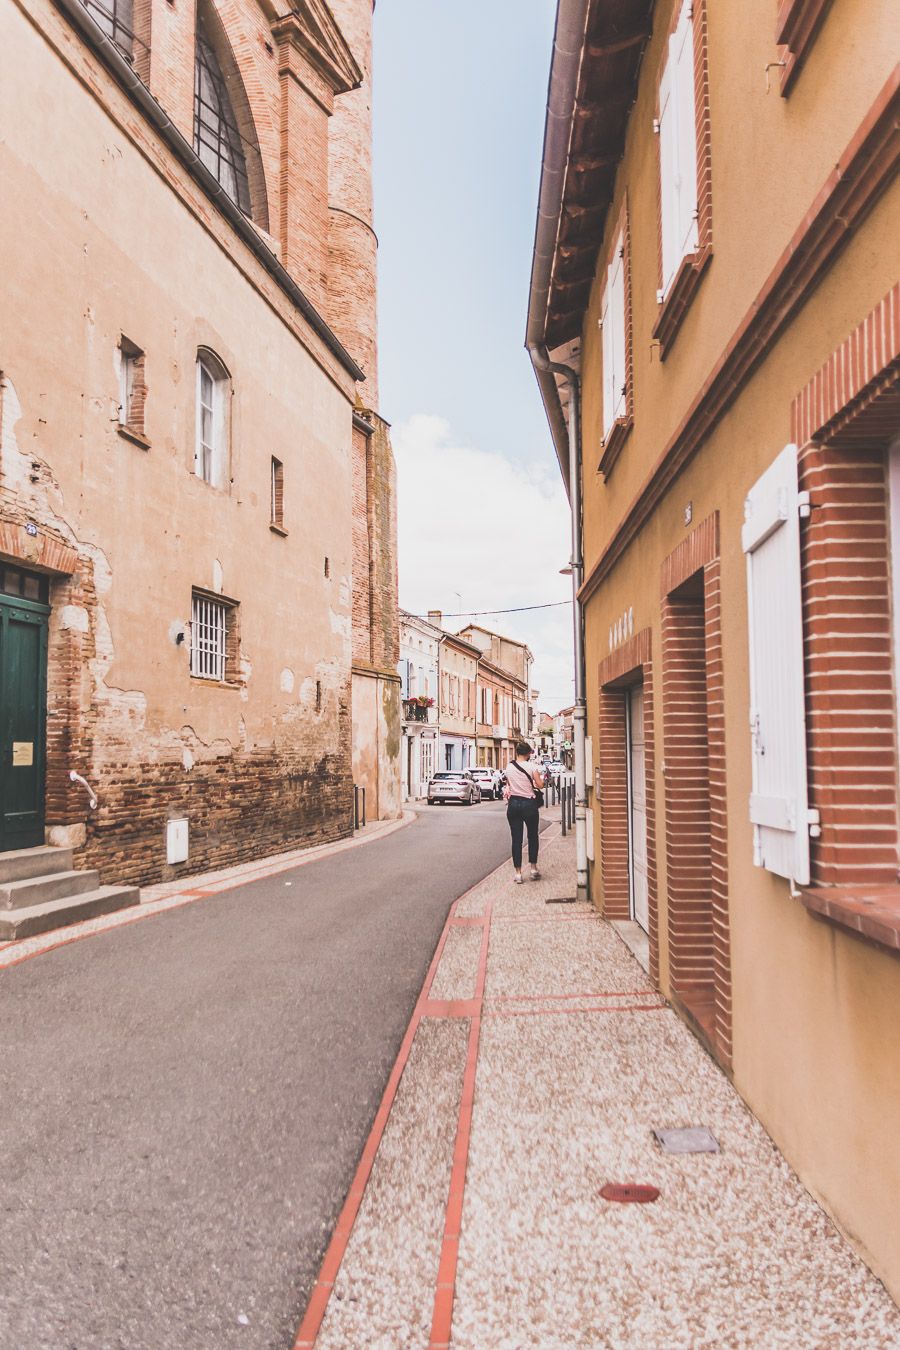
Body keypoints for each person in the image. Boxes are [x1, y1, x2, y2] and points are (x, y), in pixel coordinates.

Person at [503, 741, 545, 883]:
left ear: (517, 752)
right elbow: (540, 785)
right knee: (532, 836)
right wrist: (537, 781)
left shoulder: (509, 767)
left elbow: (509, 784)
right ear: (528, 753)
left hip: (513, 804)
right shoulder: (532, 766)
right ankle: (533, 869)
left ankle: (518, 873)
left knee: (516, 839)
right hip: (529, 804)